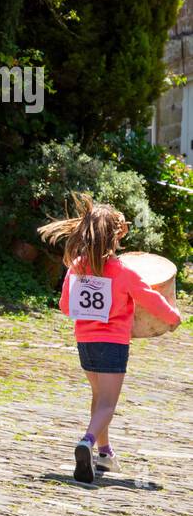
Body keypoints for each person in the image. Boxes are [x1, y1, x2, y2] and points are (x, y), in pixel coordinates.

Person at [38, 195, 181, 483]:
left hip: (85, 344)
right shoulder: (124, 271)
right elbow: (149, 298)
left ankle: (104, 454)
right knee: (107, 405)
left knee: (98, 397)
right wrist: (173, 317)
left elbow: (66, 307)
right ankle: (86, 443)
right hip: (113, 345)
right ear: (115, 237)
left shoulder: (77, 267)